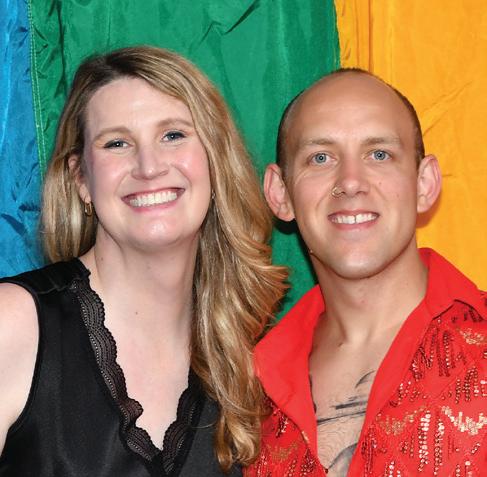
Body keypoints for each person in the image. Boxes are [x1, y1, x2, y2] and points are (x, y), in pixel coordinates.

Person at [0, 46, 286, 476]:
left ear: (214, 160)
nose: (149, 166)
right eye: (117, 143)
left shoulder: (244, 363)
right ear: (81, 179)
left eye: (173, 135)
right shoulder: (14, 324)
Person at [246, 69, 487, 476]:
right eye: (320, 158)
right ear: (280, 193)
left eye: (379, 155)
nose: (351, 182)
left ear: (424, 183)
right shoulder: (242, 397)